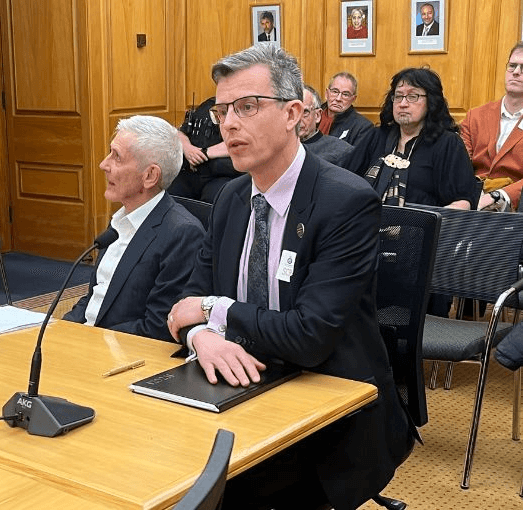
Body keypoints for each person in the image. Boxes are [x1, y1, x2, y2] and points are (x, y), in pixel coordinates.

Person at [166, 45, 412, 510]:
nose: (229, 124)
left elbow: (308, 336)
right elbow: (184, 304)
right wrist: (203, 336)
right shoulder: (231, 199)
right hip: (236, 387)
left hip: (324, 409)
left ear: (293, 114)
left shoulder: (346, 202)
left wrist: (211, 311)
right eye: (222, 111)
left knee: (224, 494)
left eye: (247, 107)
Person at [63, 116, 204, 343]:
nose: (103, 164)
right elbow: (95, 298)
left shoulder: (182, 234)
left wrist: (90, 342)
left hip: (121, 354)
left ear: (150, 176)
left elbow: (158, 327)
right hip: (85, 341)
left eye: (116, 157)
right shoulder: (120, 222)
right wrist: (61, 330)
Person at [345, 67, 479, 209]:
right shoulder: (377, 136)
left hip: (420, 228)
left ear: (431, 101)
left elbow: (463, 203)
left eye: (412, 96)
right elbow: (344, 179)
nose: (403, 104)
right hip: (367, 223)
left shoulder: (447, 143)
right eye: (398, 96)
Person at [461, 42, 523, 212]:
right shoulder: (476, 115)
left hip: (514, 210)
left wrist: (501, 196)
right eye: (512, 66)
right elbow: (459, 162)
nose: (516, 72)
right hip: (469, 201)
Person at [167, 97, 238, 203]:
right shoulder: (207, 105)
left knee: (215, 199)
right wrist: (188, 149)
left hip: (221, 175)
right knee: (170, 194)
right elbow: (181, 132)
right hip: (191, 171)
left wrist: (204, 153)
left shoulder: (240, 107)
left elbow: (243, 140)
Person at [298, 84, 354, 167]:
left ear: (317, 115)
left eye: (304, 112)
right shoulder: (275, 149)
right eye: (290, 112)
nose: (296, 119)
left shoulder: (342, 151)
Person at [318, 72, 374, 146]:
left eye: (345, 94)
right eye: (335, 91)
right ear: (327, 93)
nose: (338, 98)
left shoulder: (363, 127)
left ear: (353, 99)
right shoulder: (312, 116)